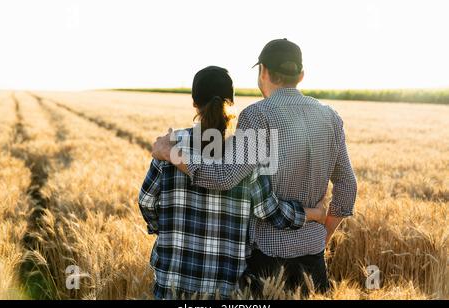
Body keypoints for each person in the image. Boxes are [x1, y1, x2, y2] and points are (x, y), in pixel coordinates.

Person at [151, 39, 358, 295]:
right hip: (313, 257)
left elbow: (225, 177)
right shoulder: (331, 117)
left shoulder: (257, 115)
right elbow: (348, 185)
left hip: (267, 259)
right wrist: (322, 235)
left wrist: (172, 153)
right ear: (301, 75)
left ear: (264, 72)